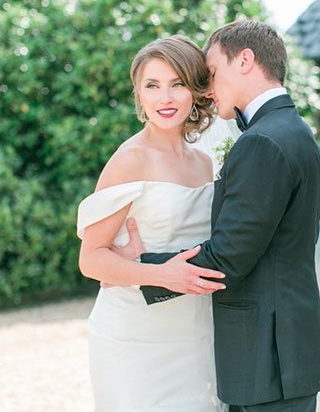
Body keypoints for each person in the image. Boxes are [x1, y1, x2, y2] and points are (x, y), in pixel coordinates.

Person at [133, 20, 320, 412]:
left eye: (212, 73)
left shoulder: (261, 141)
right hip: (282, 351)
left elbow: (229, 257)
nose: (206, 88)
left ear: (245, 60)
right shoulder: (292, 130)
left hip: (266, 355)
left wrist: (141, 267)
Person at [77, 34, 228, 411]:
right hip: (134, 338)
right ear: (139, 95)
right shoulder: (130, 160)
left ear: (194, 89)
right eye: (152, 86)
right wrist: (158, 274)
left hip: (195, 331)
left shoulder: (204, 162)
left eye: (177, 84)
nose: (165, 98)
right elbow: (91, 259)